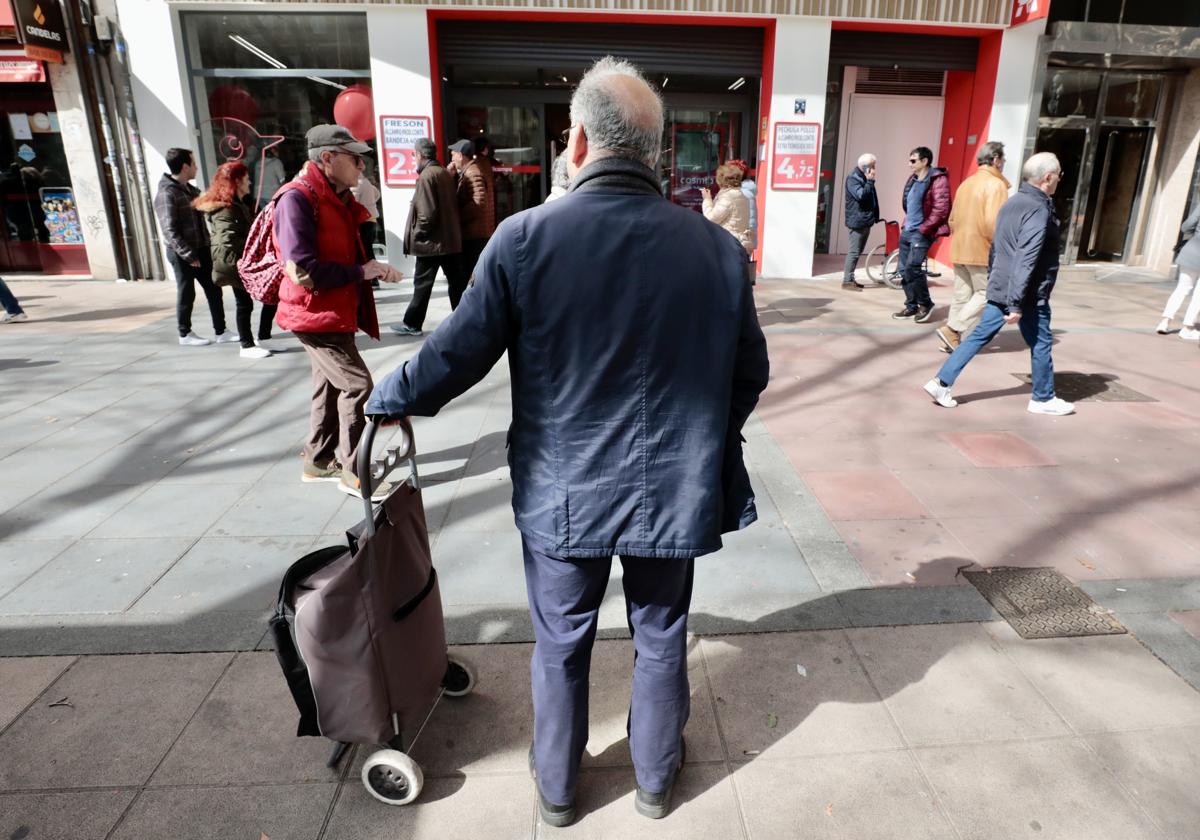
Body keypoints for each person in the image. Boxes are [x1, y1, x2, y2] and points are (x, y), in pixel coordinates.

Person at [365, 57, 769, 827]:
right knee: (660, 635)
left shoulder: (526, 239)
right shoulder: (716, 249)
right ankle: (655, 781)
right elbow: (749, 372)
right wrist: (698, 441)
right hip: (671, 489)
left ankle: (556, 789)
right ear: (652, 151)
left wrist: (387, 398)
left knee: (560, 641)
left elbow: (455, 353)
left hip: (564, 486)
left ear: (577, 140)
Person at [274, 125, 403, 494]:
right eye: (354, 158)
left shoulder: (335, 195)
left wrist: (373, 268)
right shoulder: (296, 198)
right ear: (327, 158)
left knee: (330, 388)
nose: (361, 166)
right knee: (358, 385)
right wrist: (360, 272)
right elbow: (301, 269)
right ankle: (354, 472)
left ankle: (317, 460)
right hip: (315, 314)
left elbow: (346, 252)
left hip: (333, 311)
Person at [923, 152, 1075, 416]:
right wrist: (1015, 301)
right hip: (1026, 292)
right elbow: (1027, 256)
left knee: (979, 335)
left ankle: (941, 382)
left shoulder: (1012, 202)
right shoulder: (1038, 209)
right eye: (1059, 175)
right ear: (1048, 178)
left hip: (1005, 285)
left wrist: (998, 282)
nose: (1060, 180)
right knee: (1041, 342)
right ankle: (1042, 398)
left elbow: (997, 249)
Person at [193, 161, 281, 359]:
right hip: (235, 262)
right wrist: (248, 257)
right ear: (238, 181)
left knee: (270, 294)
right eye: (247, 178)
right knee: (246, 303)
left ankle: (263, 337)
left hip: (241, 260)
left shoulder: (239, 204)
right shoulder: (227, 209)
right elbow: (228, 241)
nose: (250, 182)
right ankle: (247, 345)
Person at [154, 147, 236, 347]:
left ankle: (221, 331)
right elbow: (169, 230)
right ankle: (185, 333)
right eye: (193, 163)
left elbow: (208, 203)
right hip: (182, 253)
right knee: (186, 292)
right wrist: (189, 255)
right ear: (185, 167)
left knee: (214, 288)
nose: (196, 167)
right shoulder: (167, 193)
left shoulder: (189, 189)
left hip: (201, 248)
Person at [937, 142, 1010, 353]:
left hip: (960, 247)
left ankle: (950, 339)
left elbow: (951, 219)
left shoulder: (966, 183)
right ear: (995, 159)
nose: (1004, 163)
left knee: (962, 295)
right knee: (985, 293)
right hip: (981, 250)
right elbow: (994, 224)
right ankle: (952, 329)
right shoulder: (996, 186)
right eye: (1003, 159)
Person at [390, 138, 463, 337]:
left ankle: (412, 323)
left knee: (422, 285)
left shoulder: (427, 176)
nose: (414, 159)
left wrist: (418, 234)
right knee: (456, 285)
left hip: (432, 243)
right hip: (448, 242)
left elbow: (427, 215)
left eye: (414, 155)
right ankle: (465, 321)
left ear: (420, 155)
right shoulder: (443, 173)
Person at [893, 146, 951, 323]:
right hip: (908, 230)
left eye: (913, 160)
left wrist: (923, 229)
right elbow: (907, 202)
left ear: (925, 161)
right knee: (903, 270)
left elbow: (942, 209)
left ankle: (925, 303)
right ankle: (911, 306)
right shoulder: (913, 179)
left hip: (922, 232)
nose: (909, 164)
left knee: (913, 268)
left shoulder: (937, 180)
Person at [455, 136, 496, 282]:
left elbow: (479, 201)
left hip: (475, 232)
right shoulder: (479, 166)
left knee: (473, 274)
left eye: (453, 155)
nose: (452, 159)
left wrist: (458, 216)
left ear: (460, 156)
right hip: (480, 230)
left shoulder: (473, 171)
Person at [1157, 203, 1200, 340]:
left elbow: (1186, 227)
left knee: (1181, 289)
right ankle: (1187, 328)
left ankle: (1164, 322)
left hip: (1192, 251)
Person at [843, 152, 879, 291]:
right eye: (872, 166)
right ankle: (847, 281)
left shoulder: (862, 177)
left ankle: (851, 279)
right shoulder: (853, 178)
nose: (875, 169)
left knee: (857, 252)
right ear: (865, 167)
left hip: (865, 220)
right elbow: (861, 196)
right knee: (854, 252)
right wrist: (870, 181)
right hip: (857, 221)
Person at [701, 163, 753, 255]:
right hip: (740, 242)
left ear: (722, 180)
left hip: (728, 244)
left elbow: (711, 218)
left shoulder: (728, 196)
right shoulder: (742, 195)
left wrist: (707, 199)